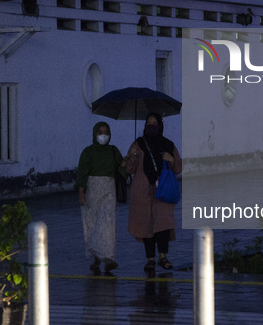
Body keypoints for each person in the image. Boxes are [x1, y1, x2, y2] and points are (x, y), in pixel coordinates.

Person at [124, 112, 182, 272]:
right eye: (148, 123)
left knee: (163, 223)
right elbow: (129, 168)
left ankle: (163, 257)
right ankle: (150, 259)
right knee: (146, 225)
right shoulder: (138, 144)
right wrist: (133, 158)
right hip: (143, 191)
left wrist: (170, 159)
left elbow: (178, 167)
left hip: (163, 190)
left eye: (154, 123)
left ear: (160, 126)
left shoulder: (168, 144)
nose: (151, 125)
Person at [74, 121, 126, 273]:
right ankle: (97, 258)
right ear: (95, 134)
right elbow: (82, 172)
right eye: (100, 132)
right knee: (92, 224)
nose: (103, 135)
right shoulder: (88, 152)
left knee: (107, 222)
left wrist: (129, 159)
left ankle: (109, 258)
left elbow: (121, 168)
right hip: (92, 190)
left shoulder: (113, 151)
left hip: (108, 189)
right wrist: (81, 192)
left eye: (106, 132)